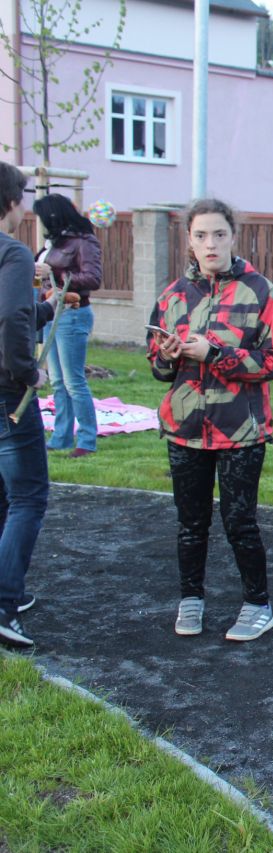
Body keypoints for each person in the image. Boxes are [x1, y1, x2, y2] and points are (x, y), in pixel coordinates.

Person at [147, 198, 273, 642]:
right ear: (189, 240)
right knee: (190, 524)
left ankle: (258, 605)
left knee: (240, 522)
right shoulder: (172, 296)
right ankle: (191, 598)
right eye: (201, 235)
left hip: (240, 430)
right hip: (185, 429)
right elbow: (158, 369)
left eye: (219, 234)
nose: (211, 244)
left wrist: (216, 354)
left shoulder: (260, 291)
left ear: (233, 236)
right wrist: (167, 356)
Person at [0, 163, 82, 648]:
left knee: (5, 495)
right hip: (8, 393)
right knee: (28, 497)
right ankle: (4, 604)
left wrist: (51, 306)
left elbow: (15, 311)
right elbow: (10, 316)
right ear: (12, 201)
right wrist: (26, 371)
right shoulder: (10, 251)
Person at [34, 194, 101, 458]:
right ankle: (61, 437)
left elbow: (93, 278)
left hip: (72, 314)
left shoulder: (83, 241)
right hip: (51, 312)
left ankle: (87, 440)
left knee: (74, 381)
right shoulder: (54, 243)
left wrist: (54, 272)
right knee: (58, 381)